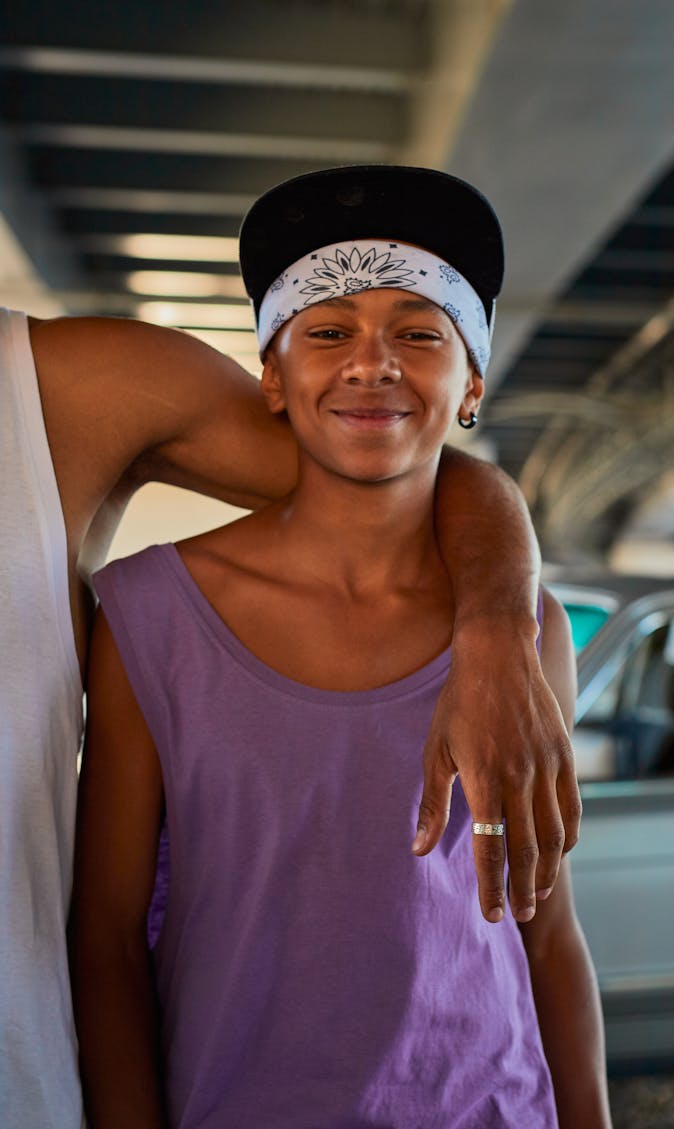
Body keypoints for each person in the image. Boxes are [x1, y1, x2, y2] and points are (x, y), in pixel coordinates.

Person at [1, 182, 579, 1129]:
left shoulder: (522, 630)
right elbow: (104, 934)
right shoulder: (149, 616)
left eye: (423, 333)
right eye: (326, 330)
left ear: (474, 381)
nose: (372, 363)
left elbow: (546, 928)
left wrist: (500, 621)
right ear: (270, 374)